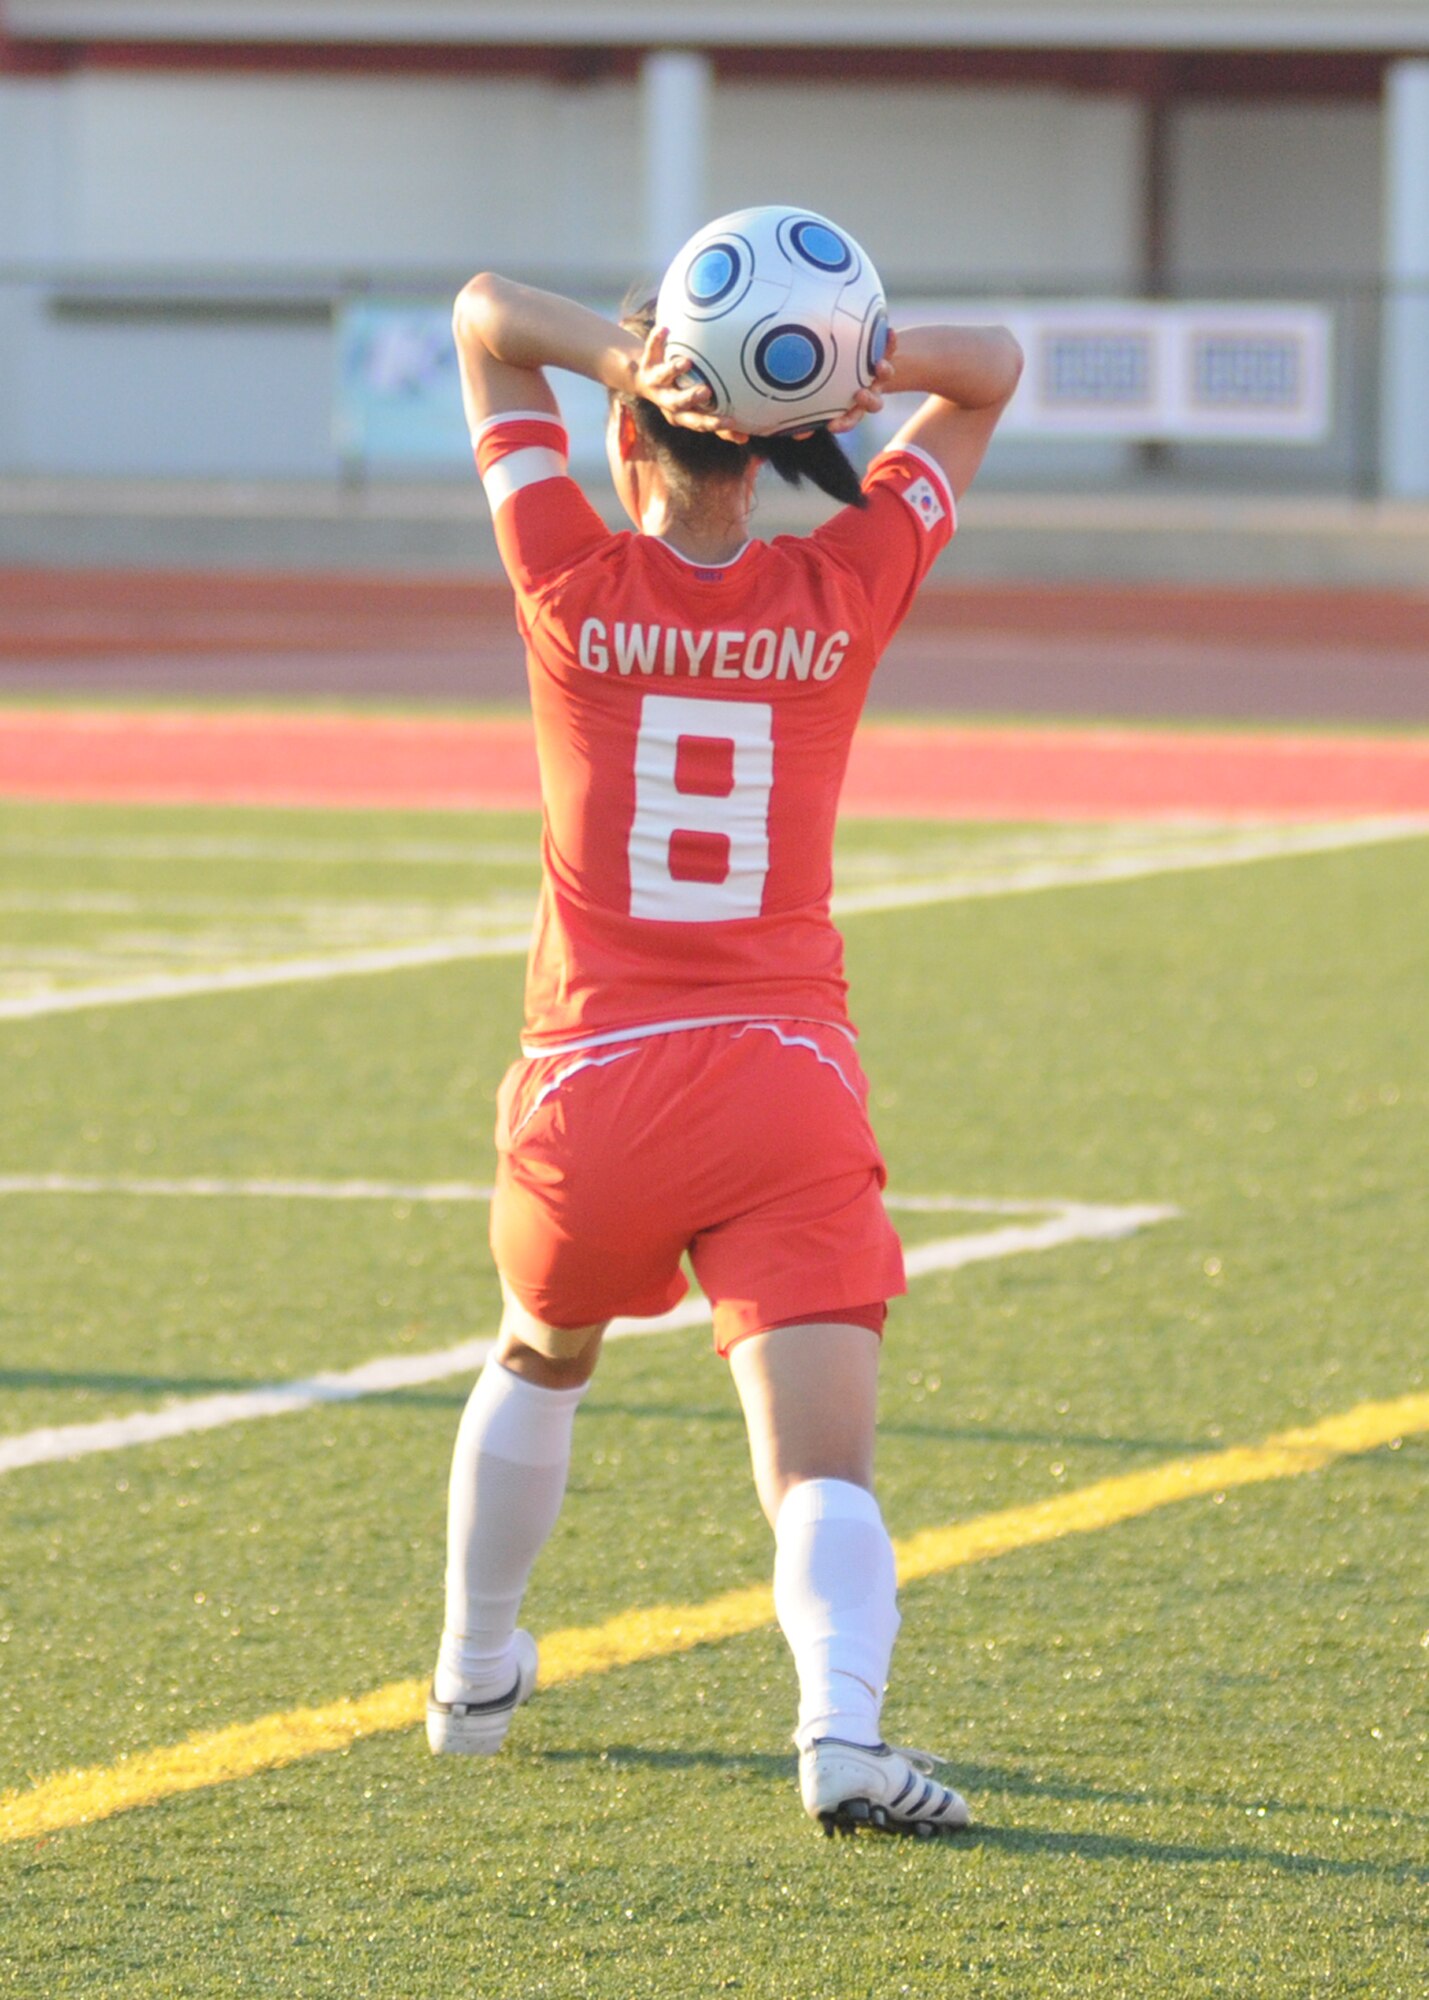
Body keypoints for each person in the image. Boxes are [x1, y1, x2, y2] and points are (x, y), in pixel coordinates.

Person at [427, 253, 1022, 1838]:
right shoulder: (845, 587)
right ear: (775, 451)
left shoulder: (563, 573)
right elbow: (995, 369)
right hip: (781, 1080)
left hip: (591, 1083)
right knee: (820, 1467)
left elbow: (485, 316)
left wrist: (637, 356)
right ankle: (840, 1733)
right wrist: (844, 364)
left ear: (633, 436)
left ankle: (474, 1673)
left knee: (537, 1357)